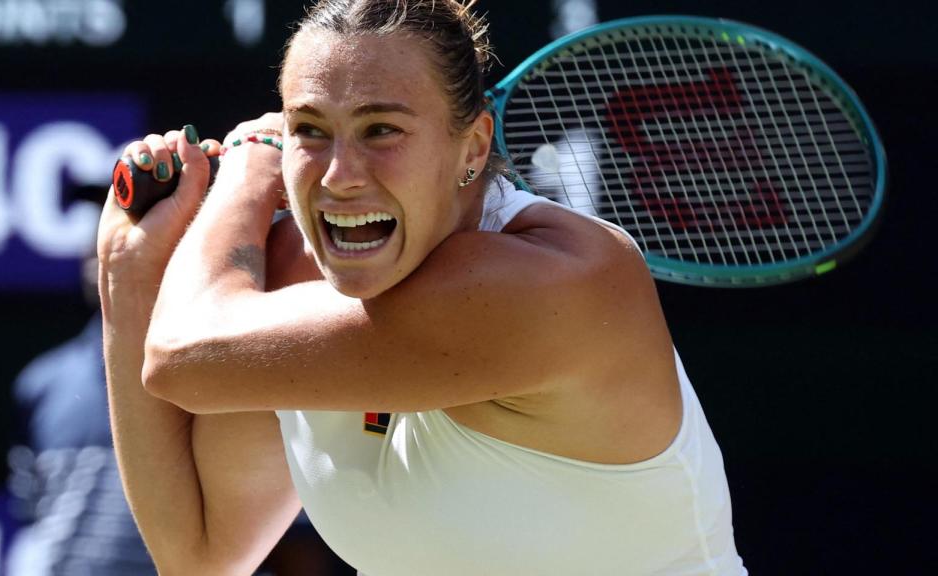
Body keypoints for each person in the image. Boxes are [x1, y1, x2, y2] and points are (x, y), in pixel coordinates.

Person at [96, 1, 747, 574]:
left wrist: (246, 171)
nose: (340, 176)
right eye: (311, 130)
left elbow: (180, 357)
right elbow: (201, 556)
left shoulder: (549, 284)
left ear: (473, 146)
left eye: (381, 129)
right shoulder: (295, 278)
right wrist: (126, 269)